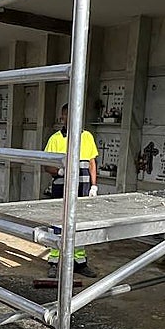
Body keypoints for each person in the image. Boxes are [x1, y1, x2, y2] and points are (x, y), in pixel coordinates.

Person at [43, 103, 99, 278]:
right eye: (68, 115)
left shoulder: (87, 136)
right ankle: (54, 261)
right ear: (63, 117)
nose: (72, 118)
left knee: (80, 225)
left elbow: (92, 162)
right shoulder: (55, 139)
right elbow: (46, 165)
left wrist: (94, 185)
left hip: (83, 188)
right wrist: (59, 171)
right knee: (58, 224)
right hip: (61, 189)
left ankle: (79, 262)